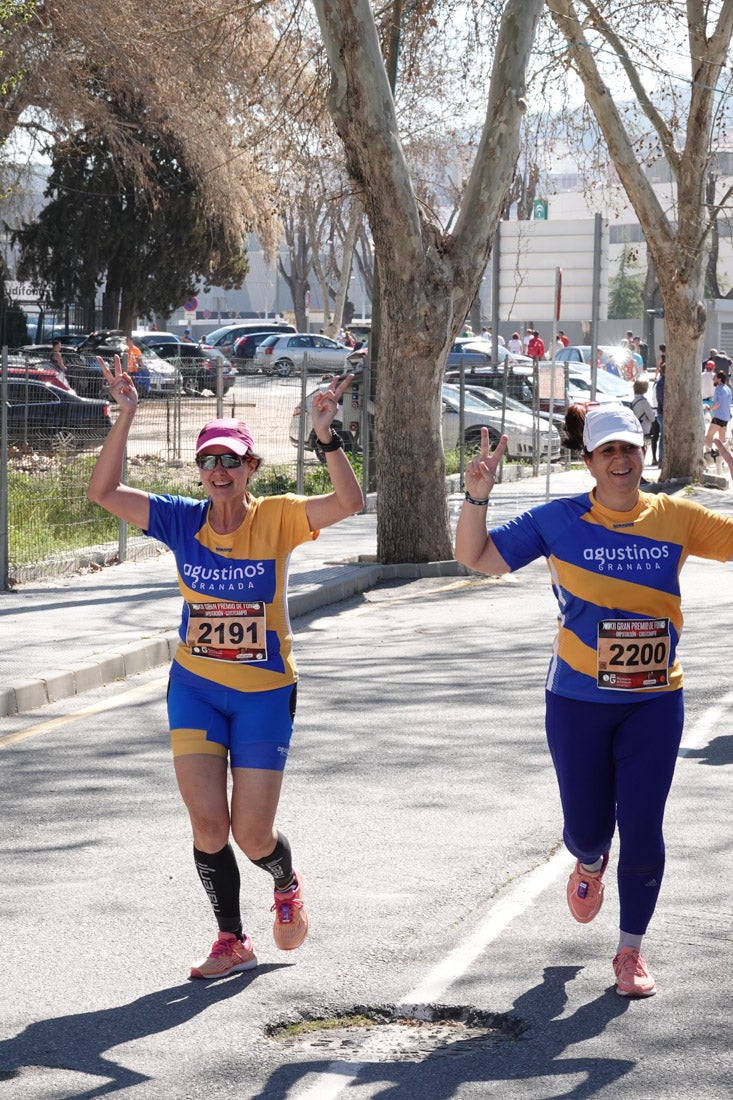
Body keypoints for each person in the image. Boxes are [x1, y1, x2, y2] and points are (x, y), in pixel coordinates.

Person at [87, 355, 364, 979]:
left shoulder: (277, 518)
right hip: (196, 688)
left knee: (252, 834)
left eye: (229, 461)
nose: (217, 471)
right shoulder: (182, 521)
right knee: (209, 823)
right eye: (207, 461)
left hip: (265, 692)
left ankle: (285, 881)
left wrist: (326, 435)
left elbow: (350, 501)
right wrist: (126, 416)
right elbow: (101, 493)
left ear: (249, 470)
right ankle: (231, 938)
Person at [455, 402, 733, 998]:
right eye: (608, 451)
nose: (621, 460)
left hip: (654, 700)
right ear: (589, 461)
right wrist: (476, 496)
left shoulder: (676, 517)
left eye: (630, 449)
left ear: (642, 455)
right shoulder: (559, 520)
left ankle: (630, 950)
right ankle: (587, 862)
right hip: (577, 701)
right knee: (586, 828)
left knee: (643, 823)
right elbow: (475, 559)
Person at [703, 369, 732, 462]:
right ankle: (722, 460)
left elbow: (717, 404)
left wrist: (709, 409)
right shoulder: (728, 389)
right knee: (721, 441)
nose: (713, 379)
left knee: (708, 438)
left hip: (718, 417)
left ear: (719, 379)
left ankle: (710, 457)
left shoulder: (719, 389)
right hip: (726, 418)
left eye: (714, 378)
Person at [630, 379, 656, 453]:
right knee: (643, 451)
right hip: (644, 431)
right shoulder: (644, 402)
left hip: (636, 429)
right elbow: (652, 418)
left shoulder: (634, 400)